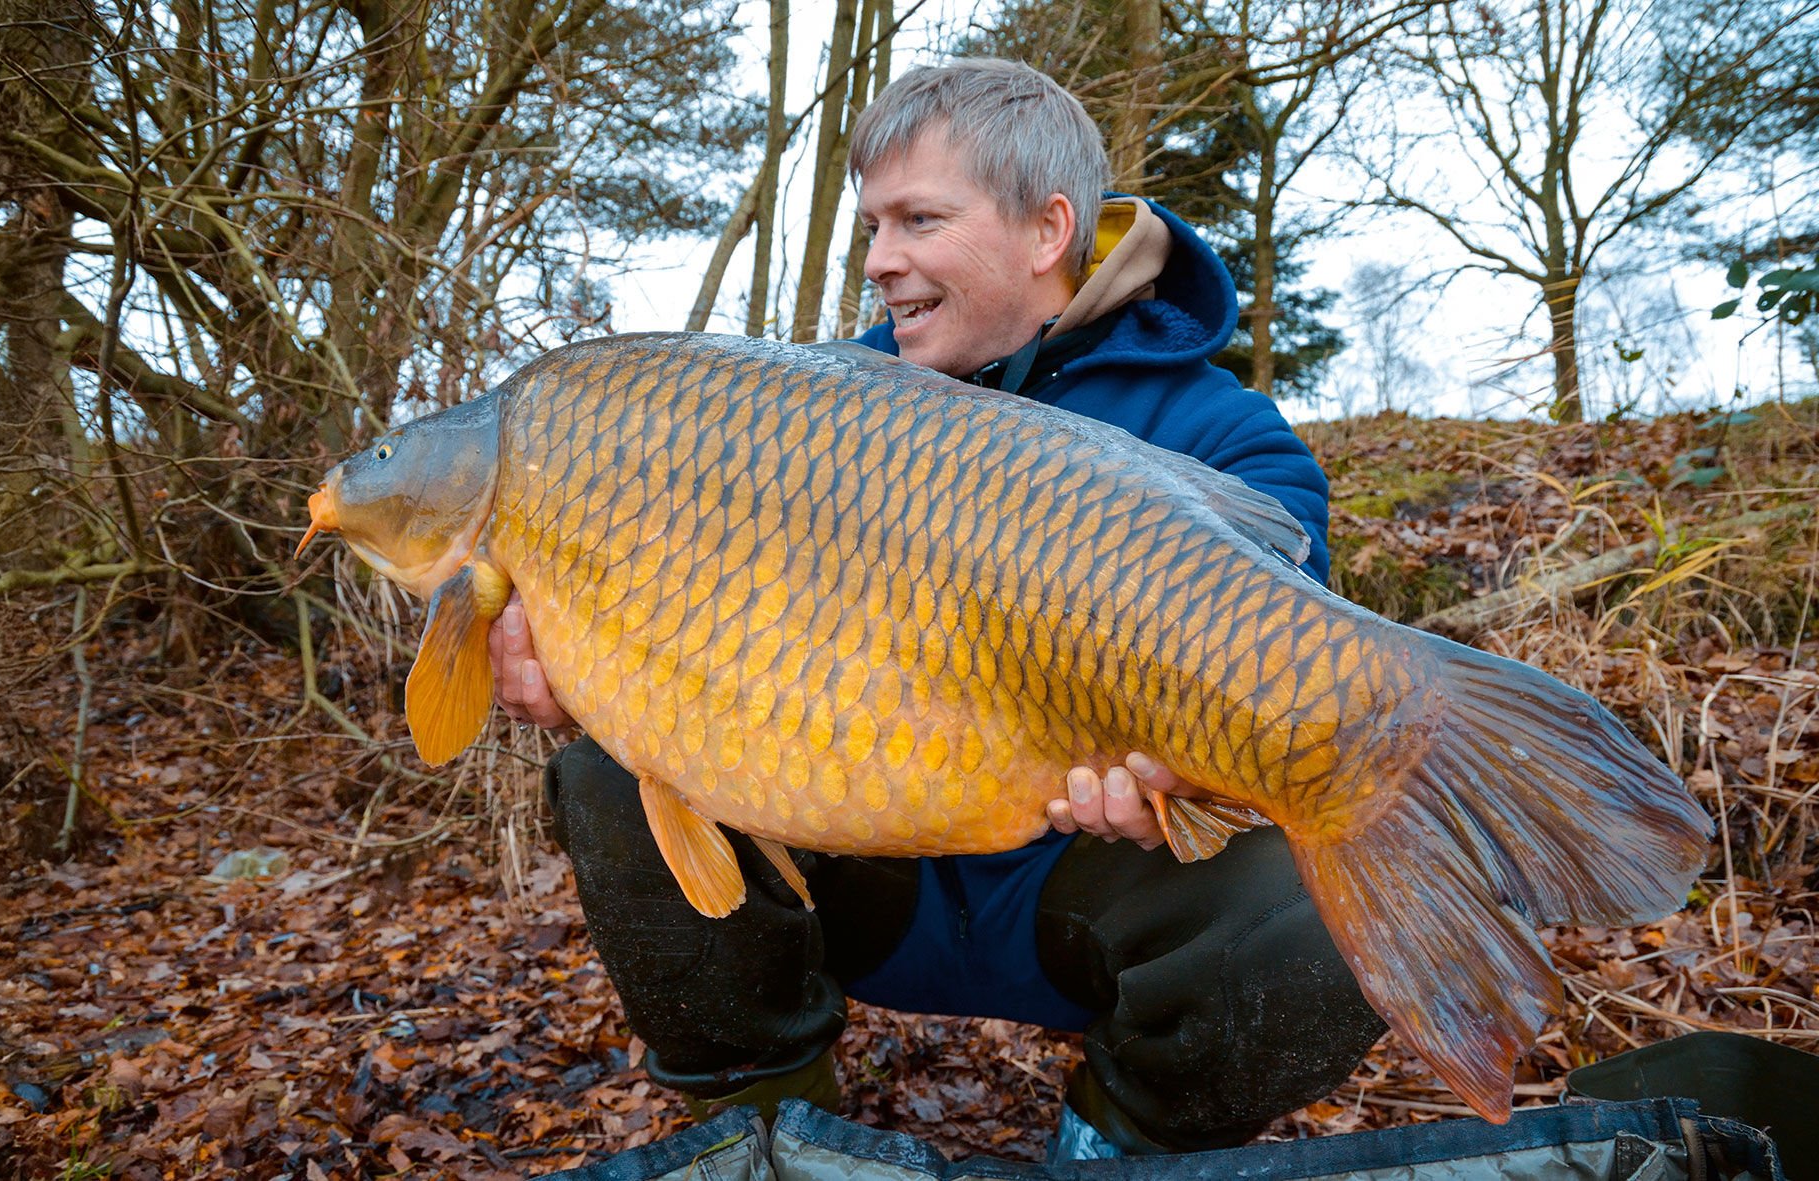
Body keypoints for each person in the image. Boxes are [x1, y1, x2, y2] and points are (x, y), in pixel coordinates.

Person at [487, 59, 1384, 1158]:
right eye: (872, 225)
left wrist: (1180, 772)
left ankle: (1123, 1140)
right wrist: (591, 664)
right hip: (865, 865)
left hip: (1082, 896)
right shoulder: (798, 411)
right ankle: (762, 1128)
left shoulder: (1228, 439)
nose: (878, 262)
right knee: (615, 767)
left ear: (1048, 228)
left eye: (920, 219)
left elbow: (1292, 682)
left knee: (1340, 884)